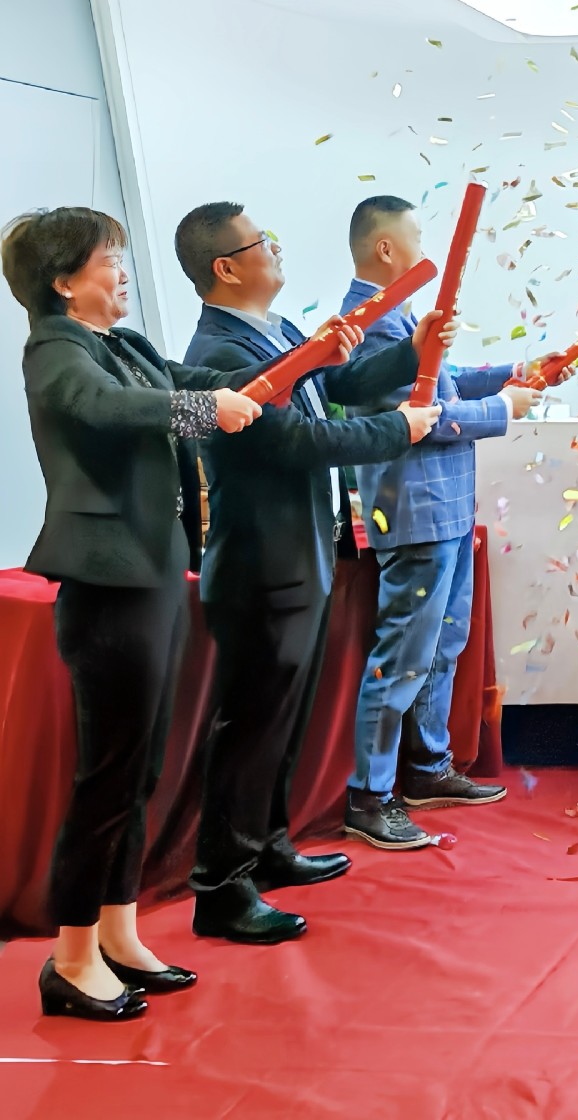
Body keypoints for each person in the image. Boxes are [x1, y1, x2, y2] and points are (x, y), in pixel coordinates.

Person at [5, 205, 260, 1020]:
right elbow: (109, 408)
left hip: (154, 574)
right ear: (62, 281)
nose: (122, 270)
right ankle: (70, 957)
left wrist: (306, 361)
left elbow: (192, 383)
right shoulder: (56, 350)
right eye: (107, 258)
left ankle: (118, 933)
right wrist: (203, 413)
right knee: (108, 777)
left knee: (142, 769)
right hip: (107, 585)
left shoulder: (125, 345)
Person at [175, 200, 441, 944]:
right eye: (262, 241)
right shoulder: (217, 352)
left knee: (281, 721)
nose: (277, 248)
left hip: (302, 558)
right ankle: (221, 887)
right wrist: (400, 429)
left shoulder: (279, 330)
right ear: (226, 267)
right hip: (260, 565)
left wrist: (413, 352)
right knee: (250, 728)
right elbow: (298, 439)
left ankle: (268, 846)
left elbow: (341, 387)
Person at [339, 193, 530, 846]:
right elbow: (422, 420)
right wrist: (505, 409)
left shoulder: (400, 315)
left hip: (445, 508)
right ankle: (369, 795)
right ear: (386, 248)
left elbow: (444, 383)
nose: (425, 250)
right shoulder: (367, 323)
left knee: (441, 648)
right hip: (414, 509)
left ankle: (427, 766)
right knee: (402, 658)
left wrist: (511, 374)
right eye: (418, 238)